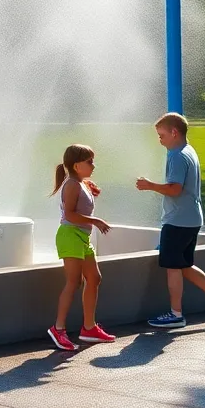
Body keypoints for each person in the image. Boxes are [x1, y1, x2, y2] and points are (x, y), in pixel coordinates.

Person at [135, 113, 205, 329]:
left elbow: (175, 189)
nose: (159, 139)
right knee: (183, 265)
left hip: (178, 220)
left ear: (174, 132)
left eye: (162, 135)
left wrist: (149, 185)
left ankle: (176, 314)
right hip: (191, 218)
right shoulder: (189, 151)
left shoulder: (177, 156)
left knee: (173, 266)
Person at [47, 144, 113, 351]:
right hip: (70, 236)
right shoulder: (72, 185)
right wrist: (96, 221)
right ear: (77, 165)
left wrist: (90, 190)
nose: (94, 165)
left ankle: (89, 328)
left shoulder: (81, 182)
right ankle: (58, 329)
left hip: (81, 237)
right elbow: (70, 215)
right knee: (74, 282)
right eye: (89, 162)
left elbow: (80, 204)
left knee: (94, 278)